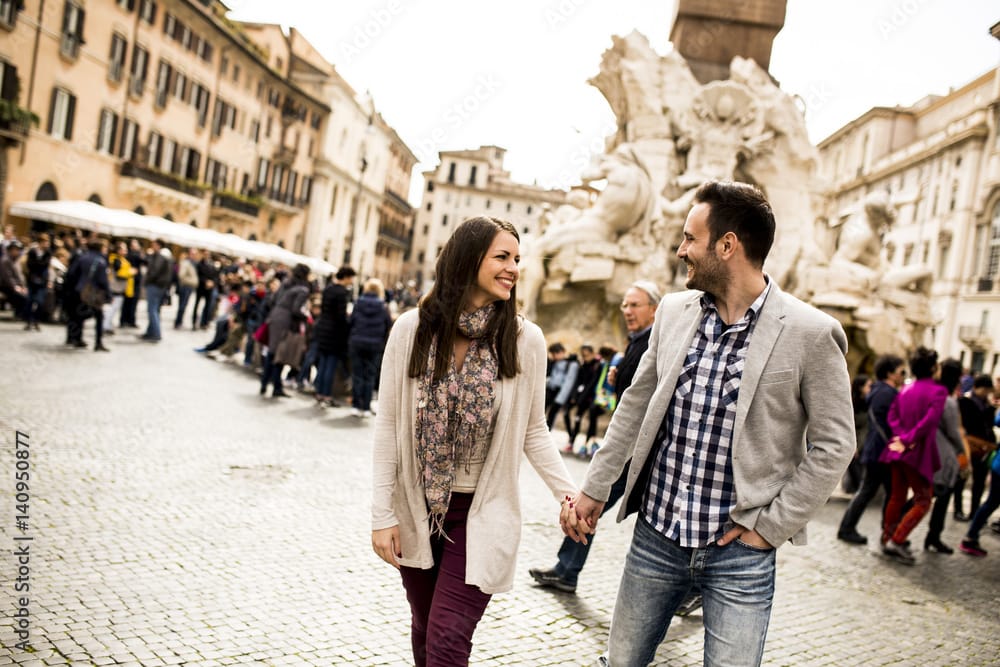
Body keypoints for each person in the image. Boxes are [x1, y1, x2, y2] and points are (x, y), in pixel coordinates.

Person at [561, 180, 855, 667]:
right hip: (656, 537)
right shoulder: (675, 312)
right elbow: (634, 405)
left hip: (740, 554)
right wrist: (593, 489)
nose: (681, 251)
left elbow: (834, 445)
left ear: (727, 245)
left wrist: (770, 527)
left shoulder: (811, 332)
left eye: (689, 238)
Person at [371, 216, 576, 667]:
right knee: (425, 629)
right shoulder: (411, 329)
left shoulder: (525, 340)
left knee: (447, 638)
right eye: (502, 257)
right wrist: (382, 514)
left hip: (484, 512)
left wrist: (568, 493)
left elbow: (534, 429)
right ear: (467, 260)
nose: (513, 268)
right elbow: (387, 426)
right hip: (417, 507)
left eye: (517, 259)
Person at [530, 280, 661, 595]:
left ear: (655, 309)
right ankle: (566, 569)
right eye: (624, 305)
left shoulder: (653, 343)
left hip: (637, 453)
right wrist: (619, 380)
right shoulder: (638, 341)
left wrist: (622, 379)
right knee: (592, 505)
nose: (627, 310)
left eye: (634, 305)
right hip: (630, 450)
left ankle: (567, 569)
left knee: (590, 503)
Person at [879, 347, 946, 565]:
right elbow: (929, 421)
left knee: (897, 496)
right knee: (924, 500)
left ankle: (888, 536)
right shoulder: (938, 391)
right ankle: (897, 540)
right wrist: (909, 440)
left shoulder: (905, 389)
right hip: (917, 450)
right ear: (933, 367)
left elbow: (892, 415)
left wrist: (901, 438)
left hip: (898, 448)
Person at [837, 354, 906, 544]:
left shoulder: (878, 391)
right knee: (878, 492)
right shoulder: (887, 393)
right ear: (890, 373)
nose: (903, 375)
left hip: (876, 449)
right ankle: (882, 531)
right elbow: (889, 424)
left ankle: (884, 530)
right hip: (882, 451)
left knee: (874, 491)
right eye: (901, 371)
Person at [922, 358, 968, 554]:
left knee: (926, 494)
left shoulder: (933, 394)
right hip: (942, 457)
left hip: (931, 453)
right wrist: (964, 454)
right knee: (934, 496)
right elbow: (954, 433)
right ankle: (932, 537)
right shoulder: (947, 401)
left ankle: (930, 536)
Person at [259, 263, 311, 398]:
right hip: (286, 322)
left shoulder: (285, 284)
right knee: (280, 354)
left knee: (272, 352)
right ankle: (276, 386)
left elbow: (272, 300)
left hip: (275, 317)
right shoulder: (303, 290)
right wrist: (305, 316)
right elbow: (296, 309)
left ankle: (266, 383)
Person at [954, 374, 998, 521]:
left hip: (983, 449)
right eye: (984, 390)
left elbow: (989, 425)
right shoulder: (965, 402)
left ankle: (974, 512)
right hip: (967, 445)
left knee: (979, 483)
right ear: (977, 388)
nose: (986, 393)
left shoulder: (987, 405)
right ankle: (958, 510)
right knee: (960, 480)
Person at [348, 277, 393, 417]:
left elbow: (351, 322)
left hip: (357, 342)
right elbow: (388, 326)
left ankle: (356, 405)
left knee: (357, 374)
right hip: (374, 345)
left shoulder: (358, 303)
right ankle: (366, 407)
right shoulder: (383, 307)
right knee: (370, 376)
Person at [313, 266, 356, 407]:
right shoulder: (342, 293)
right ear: (347, 277)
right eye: (351, 278)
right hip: (334, 333)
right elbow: (340, 317)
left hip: (323, 330)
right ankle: (326, 395)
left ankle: (319, 393)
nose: (352, 281)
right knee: (330, 365)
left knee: (323, 364)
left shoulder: (329, 289)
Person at [65, 239, 111, 352]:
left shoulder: (82, 257)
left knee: (78, 314)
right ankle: (98, 342)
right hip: (93, 293)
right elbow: (103, 281)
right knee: (99, 316)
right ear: (100, 248)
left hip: (79, 290)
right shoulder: (101, 261)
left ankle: (76, 338)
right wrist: (109, 295)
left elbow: (71, 273)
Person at [141, 239, 172, 342]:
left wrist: (146, 282)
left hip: (155, 285)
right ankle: (150, 332)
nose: (152, 246)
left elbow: (154, 272)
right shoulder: (164, 256)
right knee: (155, 309)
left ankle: (156, 333)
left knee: (152, 310)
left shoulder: (160, 256)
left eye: (153, 244)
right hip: (160, 286)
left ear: (158, 245)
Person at [544, 343, 579, 429]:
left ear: (561, 352)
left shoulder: (572, 364)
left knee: (552, 414)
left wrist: (560, 399)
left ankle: (548, 432)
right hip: (550, 390)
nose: (554, 356)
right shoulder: (554, 362)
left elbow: (569, 382)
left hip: (560, 393)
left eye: (555, 354)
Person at [104, 241, 134, 336]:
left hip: (119, 288)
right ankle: (106, 326)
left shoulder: (120, 259)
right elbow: (119, 274)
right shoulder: (116, 260)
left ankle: (107, 324)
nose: (125, 251)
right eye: (123, 249)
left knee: (114, 308)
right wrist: (131, 272)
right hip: (115, 288)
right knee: (112, 308)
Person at [25, 233, 52, 329]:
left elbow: (45, 265)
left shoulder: (48, 252)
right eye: (45, 242)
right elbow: (29, 265)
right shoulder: (32, 251)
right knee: (29, 301)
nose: (47, 244)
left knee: (40, 301)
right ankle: (29, 321)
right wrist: (39, 264)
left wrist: (38, 264)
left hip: (42, 280)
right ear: (40, 242)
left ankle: (36, 321)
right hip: (32, 280)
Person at [0, 239, 28, 319]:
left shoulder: (17, 260)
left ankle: (21, 314)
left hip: (15, 284)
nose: (16, 252)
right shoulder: (5, 260)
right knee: (21, 296)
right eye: (15, 249)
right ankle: (19, 314)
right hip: (5, 285)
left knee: (27, 294)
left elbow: (20, 276)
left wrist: (23, 286)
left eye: (18, 250)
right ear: (10, 250)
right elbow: (7, 277)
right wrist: (16, 287)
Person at [174, 249, 199, 329]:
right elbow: (181, 275)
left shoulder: (193, 263)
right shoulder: (186, 263)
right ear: (189, 254)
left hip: (189, 287)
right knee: (182, 305)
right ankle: (178, 322)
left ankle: (179, 321)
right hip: (186, 286)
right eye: (193, 254)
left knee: (184, 305)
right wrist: (191, 281)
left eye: (195, 254)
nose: (194, 256)